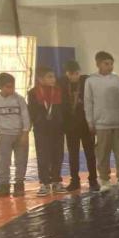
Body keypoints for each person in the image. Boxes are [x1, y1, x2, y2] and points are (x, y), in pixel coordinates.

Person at [85, 51, 119, 193]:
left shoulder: (117, 80)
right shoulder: (91, 81)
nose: (110, 66)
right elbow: (88, 103)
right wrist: (90, 122)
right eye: (106, 64)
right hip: (101, 123)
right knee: (102, 153)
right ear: (98, 64)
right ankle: (104, 180)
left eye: (111, 64)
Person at [0, 72, 29, 197]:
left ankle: (19, 185)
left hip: (19, 134)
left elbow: (25, 116)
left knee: (21, 161)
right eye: (8, 87)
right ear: (0, 87)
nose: (12, 89)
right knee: (3, 162)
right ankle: (4, 186)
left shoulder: (19, 99)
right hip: (3, 134)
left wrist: (25, 133)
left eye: (13, 86)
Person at [60, 60, 98, 192]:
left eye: (76, 73)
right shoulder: (62, 83)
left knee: (90, 153)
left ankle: (93, 179)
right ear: (66, 74)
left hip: (86, 124)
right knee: (73, 155)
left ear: (79, 72)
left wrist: (93, 122)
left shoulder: (86, 81)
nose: (74, 76)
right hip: (71, 126)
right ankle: (75, 181)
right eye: (71, 74)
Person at [28, 66, 66, 196]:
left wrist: (61, 123)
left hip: (57, 129)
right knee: (43, 156)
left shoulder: (58, 91)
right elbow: (32, 111)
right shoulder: (33, 92)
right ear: (40, 79)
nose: (53, 79)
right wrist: (37, 122)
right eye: (49, 77)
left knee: (58, 155)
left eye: (53, 76)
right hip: (41, 130)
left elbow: (63, 109)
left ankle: (56, 181)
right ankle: (44, 183)